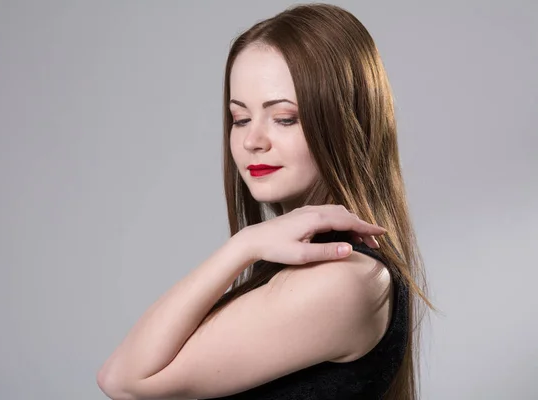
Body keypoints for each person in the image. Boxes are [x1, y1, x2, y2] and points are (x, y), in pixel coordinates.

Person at [97, 3, 433, 400]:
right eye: (240, 118)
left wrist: (245, 243)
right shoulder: (321, 267)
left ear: (346, 121)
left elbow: (124, 380)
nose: (252, 140)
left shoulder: (343, 278)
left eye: (285, 117)